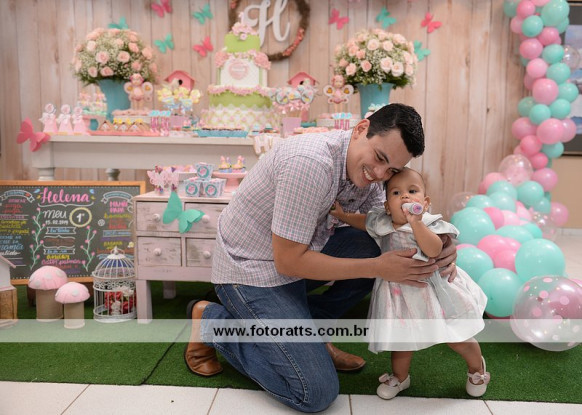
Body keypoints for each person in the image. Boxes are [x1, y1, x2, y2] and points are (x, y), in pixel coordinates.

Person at [184, 104, 457, 412]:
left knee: (377, 244)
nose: (381, 175)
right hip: (252, 270)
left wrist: (442, 246)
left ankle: (311, 332)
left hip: (300, 256)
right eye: (380, 158)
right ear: (361, 129)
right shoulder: (310, 164)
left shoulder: (368, 171)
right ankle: (211, 320)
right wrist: (378, 267)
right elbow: (288, 262)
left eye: (392, 170)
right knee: (314, 392)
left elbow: (392, 225)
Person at [329, 167, 490, 400]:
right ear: (387, 206)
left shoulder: (430, 224)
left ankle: (477, 368)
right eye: (396, 193)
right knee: (402, 341)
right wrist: (343, 216)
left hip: (433, 290)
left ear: (425, 203)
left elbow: (433, 249)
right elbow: (364, 221)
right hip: (398, 293)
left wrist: (417, 223)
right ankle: (400, 377)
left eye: (412, 191)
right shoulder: (383, 223)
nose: (404, 196)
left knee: (456, 337)